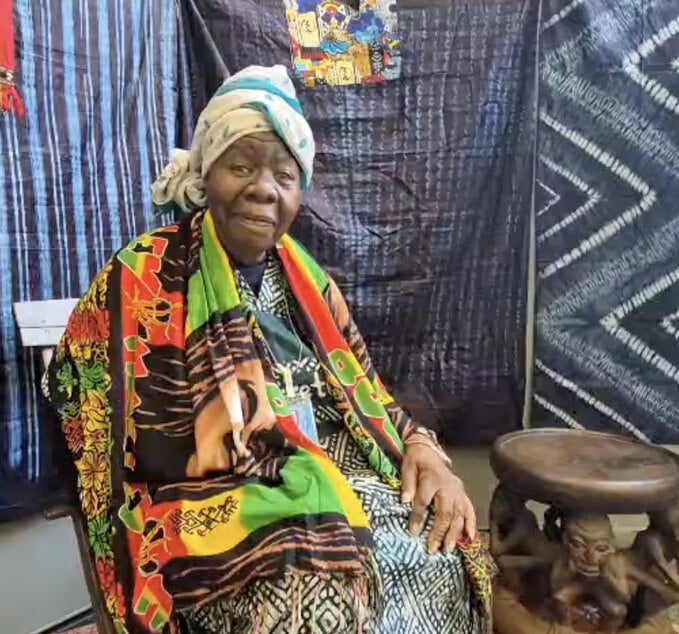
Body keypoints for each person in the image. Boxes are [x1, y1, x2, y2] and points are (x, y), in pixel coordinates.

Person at [46, 65, 493, 633]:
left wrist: (423, 446)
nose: (263, 188)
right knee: (306, 594)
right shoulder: (140, 276)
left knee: (439, 549)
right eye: (241, 166)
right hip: (210, 497)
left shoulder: (312, 284)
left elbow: (366, 393)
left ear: (299, 192)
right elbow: (75, 391)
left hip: (336, 473)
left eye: (284, 175)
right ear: (206, 174)